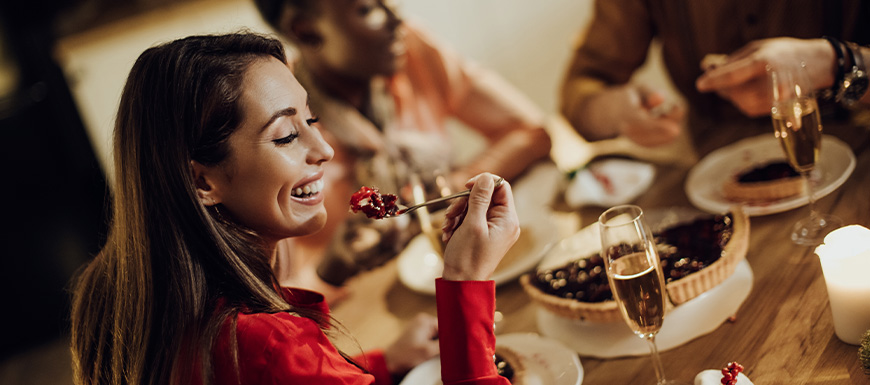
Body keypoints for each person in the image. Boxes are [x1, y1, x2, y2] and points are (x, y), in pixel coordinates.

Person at [70, 32, 519, 385]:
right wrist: (466, 281)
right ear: (202, 181)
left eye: (312, 120)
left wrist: (376, 366)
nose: (323, 149)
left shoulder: (119, 295)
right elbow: (275, 367)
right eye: (286, 135)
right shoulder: (269, 345)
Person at [252, 0, 552, 294]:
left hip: (462, 273)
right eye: (367, 9)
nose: (396, 17)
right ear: (306, 30)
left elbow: (531, 132)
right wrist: (330, 271)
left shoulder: (408, 50)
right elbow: (266, 305)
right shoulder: (274, 120)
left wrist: (454, 183)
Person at [560, 0, 870, 154]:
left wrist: (834, 64)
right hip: (719, 171)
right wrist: (616, 112)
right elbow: (581, 87)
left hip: (857, 151)